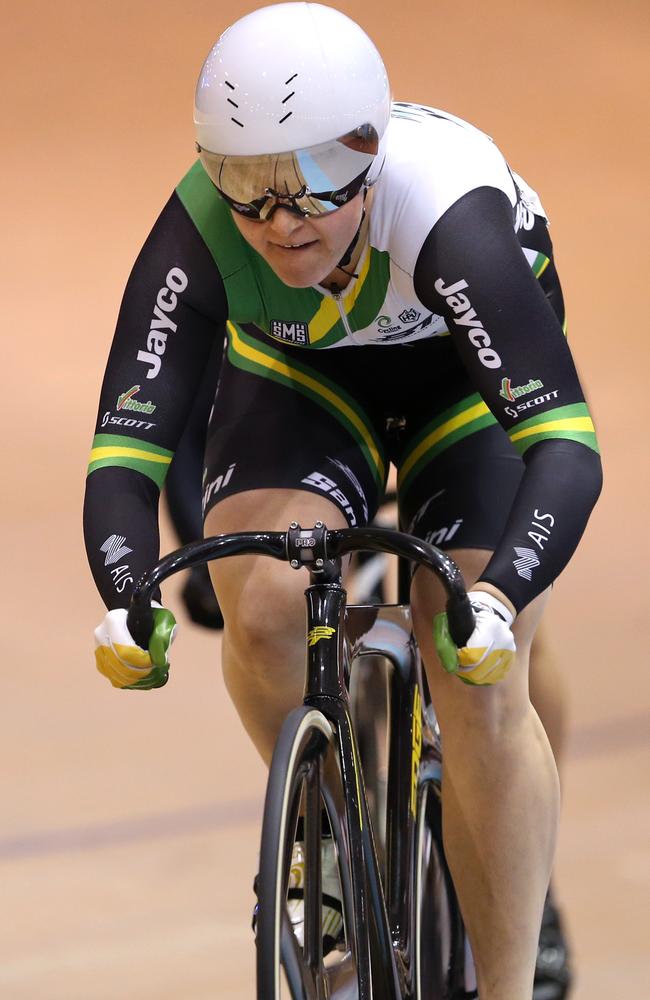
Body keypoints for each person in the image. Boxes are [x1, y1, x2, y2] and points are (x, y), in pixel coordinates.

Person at [85, 4, 602, 997]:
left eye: (319, 179)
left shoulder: (447, 213)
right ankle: (323, 842)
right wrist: (127, 591)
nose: (283, 220)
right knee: (268, 603)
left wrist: (500, 595)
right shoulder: (196, 229)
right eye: (246, 185)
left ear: (372, 152)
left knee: (482, 668)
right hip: (308, 385)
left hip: (462, 382)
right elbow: (129, 451)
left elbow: (565, 453)